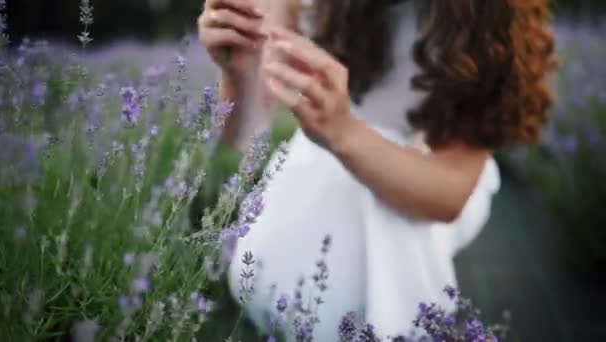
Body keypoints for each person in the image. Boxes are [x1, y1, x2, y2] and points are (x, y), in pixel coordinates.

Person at [197, 0, 556, 339]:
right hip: (323, 163)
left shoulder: (483, 15)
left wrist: (343, 132)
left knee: (384, 208)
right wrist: (239, 74)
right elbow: (242, 139)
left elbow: (450, 194)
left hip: (431, 178)